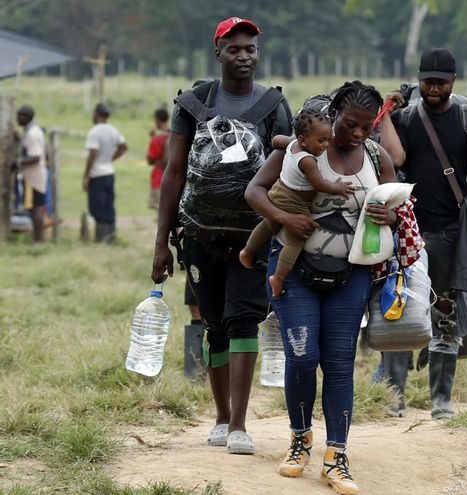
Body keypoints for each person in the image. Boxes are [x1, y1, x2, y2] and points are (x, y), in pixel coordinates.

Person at [151, 16, 293, 456]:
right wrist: (160, 243)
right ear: (218, 52)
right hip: (200, 234)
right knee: (213, 325)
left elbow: (288, 170)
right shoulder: (193, 103)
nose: (244, 56)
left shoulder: (272, 105)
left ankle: (239, 424)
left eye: (251, 48)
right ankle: (218, 415)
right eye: (234, 49)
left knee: (244, 320)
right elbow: (174, 174)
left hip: (254, 235)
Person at [246, 80, 397, 495]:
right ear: (333, 115)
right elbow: (254, 191)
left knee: (338, 362)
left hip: (352, 275)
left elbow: (398, 209)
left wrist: (391, 218)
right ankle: (299, 440)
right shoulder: (302, 146)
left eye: (367, 126)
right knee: (301, 355)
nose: (359, 134)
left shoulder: (375, 156)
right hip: (293, 271)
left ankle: (337, 456)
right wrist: (285, 217)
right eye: (350, 124)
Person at [380, 47, 467, 420]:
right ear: (419, 79)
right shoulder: (405, 119)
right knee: (399, 312)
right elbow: (397, 160)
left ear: (454, 81)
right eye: (427, 82)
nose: (433, 88)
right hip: (408, 232)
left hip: (454, 234)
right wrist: (387, 115)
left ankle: (441, 401)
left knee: (446, 314)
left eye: (440, 82)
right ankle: (395, 398)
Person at [239, 108, 353, 297]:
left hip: (278, 190)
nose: (326, 145)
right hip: (294, 200)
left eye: (328, 139)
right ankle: (279, 277)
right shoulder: (307, 160)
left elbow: (277, 140)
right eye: (321, 140)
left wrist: (279, 140)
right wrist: (338, 187)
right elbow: (319, 183)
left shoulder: (293, 144)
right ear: (303, 139)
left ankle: (248, 250)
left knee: (270, 223)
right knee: (297, 239)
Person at [84, 103, 127, 242]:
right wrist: (111, 158)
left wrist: (86, 175)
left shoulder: (94, 132)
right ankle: (111, 237)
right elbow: (124, 146)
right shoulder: (113, 130)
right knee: (109, 205)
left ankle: (101, 238)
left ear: (97, 114)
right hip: (109, 172)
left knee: (97, 207)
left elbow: (92, 155)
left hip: (97, 174)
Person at [13, 105, 47, 243]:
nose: (17, 119)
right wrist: (18, 139)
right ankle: (38, 238)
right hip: (32, 176)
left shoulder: (33, 134)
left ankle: (38, 240)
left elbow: (35, 157)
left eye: (19, 116)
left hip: (34, 177)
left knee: (35, 209)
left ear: (26, 117)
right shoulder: (30, 131)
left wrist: (16, 162)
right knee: (33, 208)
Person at [146, 108, 170, 210]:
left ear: (157, 119)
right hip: (174, 179)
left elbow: (150, 160)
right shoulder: (174, 135)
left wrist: (152, 139)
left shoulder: (156, 139)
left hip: (159, 178)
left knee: (161, 213)